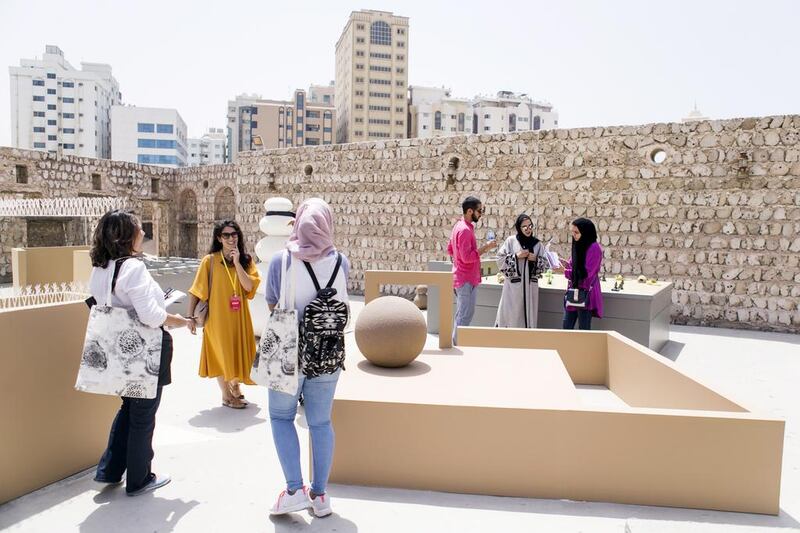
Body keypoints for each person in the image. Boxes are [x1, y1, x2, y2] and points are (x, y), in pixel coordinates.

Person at [89, 210, 190, 496]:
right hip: (145, 350)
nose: (143, 233)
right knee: (144, 413)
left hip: (118, 349)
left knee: (128, 407)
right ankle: (140, 478)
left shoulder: (100, 268)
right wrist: (179, 320)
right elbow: (150, 316)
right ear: (125, 236)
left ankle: (109, 470)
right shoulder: (133, 268)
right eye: (138, 229)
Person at [265, 198, 350, 518]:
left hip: (288, 349)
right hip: (328, 351)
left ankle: (293, 490)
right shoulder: (342, 261)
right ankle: (320, 495)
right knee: (321, 422)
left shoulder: (280, 261)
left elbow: (273, 304)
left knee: (281, 418)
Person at [187, 220, 261, 409]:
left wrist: (237, 263)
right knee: (222, 354)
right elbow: (197, 291)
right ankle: (226, 395)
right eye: (226, 235)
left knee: (238, 352)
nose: (231, 238)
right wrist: (190, 318)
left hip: (239, 318)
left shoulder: (246, 260)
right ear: (219, 238)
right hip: (217, 319)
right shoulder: (210, 261)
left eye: (234, 234)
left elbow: (249, 287)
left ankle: (234, 385)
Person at [447, 196, 496, 345]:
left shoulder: (458, 226)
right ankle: (457, 347)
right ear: (470, 211)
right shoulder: (465, 230)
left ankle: (456, 344)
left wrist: (457, 263)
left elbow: (450, 249)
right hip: (465, 280)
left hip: (461, 277)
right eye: (479, 210)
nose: (481, 214)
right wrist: (486, 247)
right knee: (465, 316)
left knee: (462, 314)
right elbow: (467, 257)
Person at [495, 214, 545, 328]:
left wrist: (536, 259)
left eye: (530, 226)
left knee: (528, 317)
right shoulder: (511, 241)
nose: (528, 229)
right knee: (511, 317)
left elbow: (544, 265)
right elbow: (499, 260)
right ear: (519, 228)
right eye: (524, 226)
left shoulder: (537, 244)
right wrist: (516, 256)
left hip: (530, 289)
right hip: (513, 289)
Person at [559, 217, 604, 330]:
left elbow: (586, 273)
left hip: (585, 295)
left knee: (584, 330)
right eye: (572, 232)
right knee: (566, 327)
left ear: (585, 232)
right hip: (572, 293)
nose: (574, 235)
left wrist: (564, 272)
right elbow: (575, 266)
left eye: (576, 232)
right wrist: (566, 264)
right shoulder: (578, 245)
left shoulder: (594, 248)